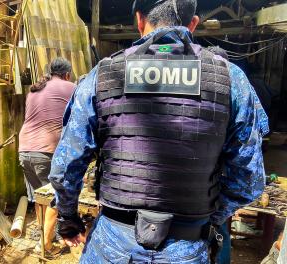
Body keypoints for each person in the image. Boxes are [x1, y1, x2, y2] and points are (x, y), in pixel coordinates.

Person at [49, 0, 270, 263]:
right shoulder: (231, 79)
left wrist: (68, 220)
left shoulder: (102, 75)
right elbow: (250, 180)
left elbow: (66, 167)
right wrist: (210, 216)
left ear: (139, 21)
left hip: (113, 244)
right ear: (194, 23)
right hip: (188, 245)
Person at [18, 57, 75, 257]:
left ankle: (45, 235)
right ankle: (46, 245)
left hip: (24, 150)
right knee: (55, 199)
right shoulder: (70, 87)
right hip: (46, 151)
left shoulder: (34, 90)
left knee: (39, 198)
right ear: (67, 74)